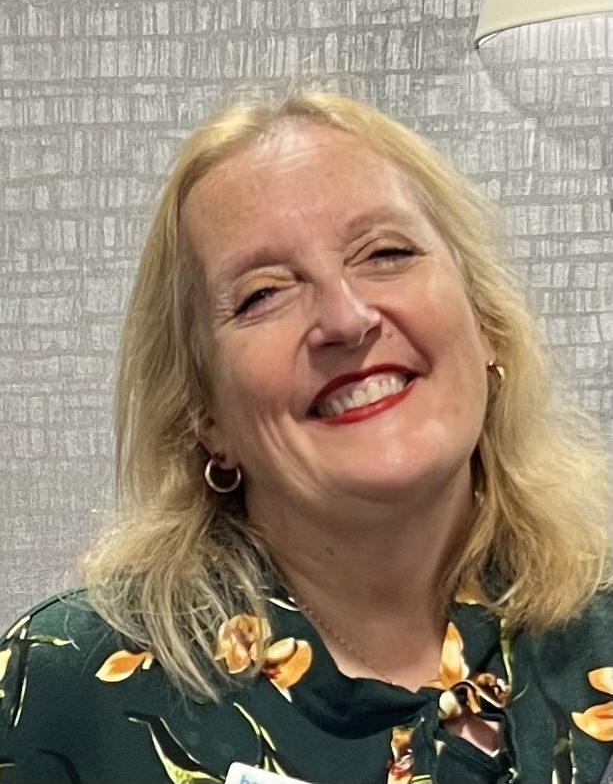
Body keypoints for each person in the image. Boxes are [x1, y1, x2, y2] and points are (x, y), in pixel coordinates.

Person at [0, 92, 611, 784]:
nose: (346, 319)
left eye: (385, 253)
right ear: (206, 415)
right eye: (263, 294)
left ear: (487, 323)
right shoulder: (60, 694)